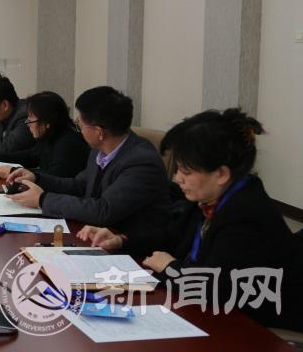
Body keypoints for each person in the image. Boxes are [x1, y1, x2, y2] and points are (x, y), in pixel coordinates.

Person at [77, 109, 303, 331]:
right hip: (210, 312)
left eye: (185, 171)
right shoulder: (210, 198)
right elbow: (170, 236)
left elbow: (215, 287)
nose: (177, 179)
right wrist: (121, 240)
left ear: (221, 174)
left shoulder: (246, 214)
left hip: (255, 324)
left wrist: (170, 267)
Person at [3, 86, 170, 249]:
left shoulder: (141, 162)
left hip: (132, 249)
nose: (79, 130)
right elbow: (79, 185)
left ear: (99, 132)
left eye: (80, 125)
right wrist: (36, 178)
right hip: (96, 236)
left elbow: (103, 210)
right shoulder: (99, 150)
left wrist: (42, 200)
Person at [0, 91, 89, 178]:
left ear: (47, 122)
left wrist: (13, 172)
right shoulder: (51, 135)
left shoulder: (68, 143)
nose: (28, 123)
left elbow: (53, 177)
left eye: (31, 119)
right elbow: (31, 156)